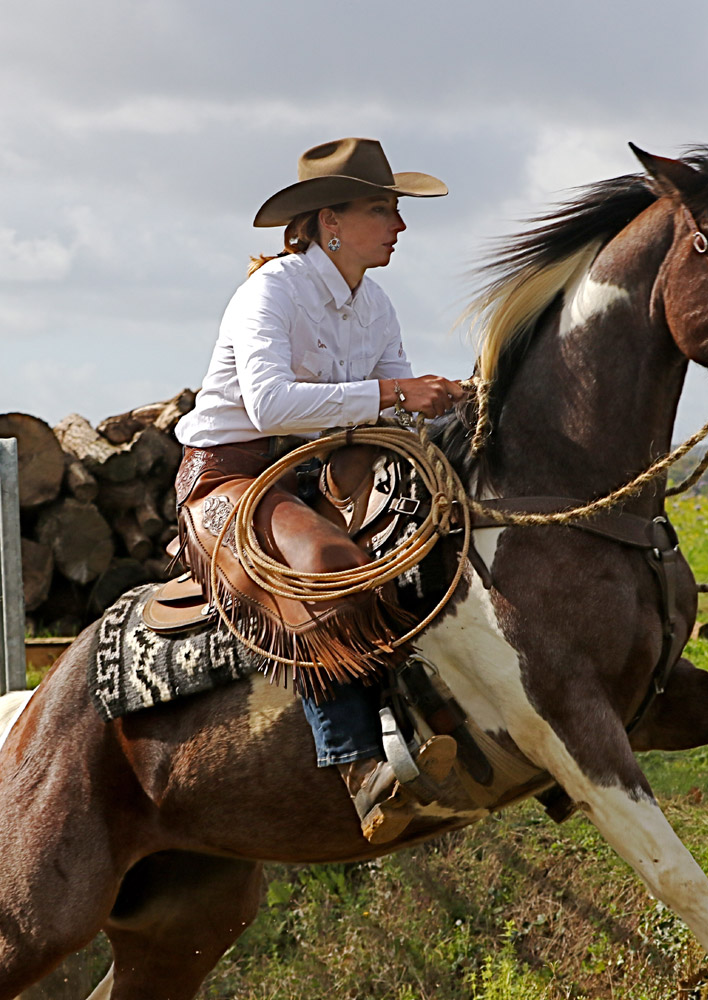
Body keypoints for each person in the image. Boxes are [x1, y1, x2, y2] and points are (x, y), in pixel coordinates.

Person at [173, 138, 466, 844]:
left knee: (445, 531)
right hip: (230, 475)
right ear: (328, 220)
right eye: (382, 211)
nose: (399, 227)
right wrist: (398, 391)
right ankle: (358, 766)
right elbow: (270, 406)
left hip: (329, 468)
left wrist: (445, 400)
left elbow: (389, 403)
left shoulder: (377, 303)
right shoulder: (270, 291)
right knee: (326, 563)